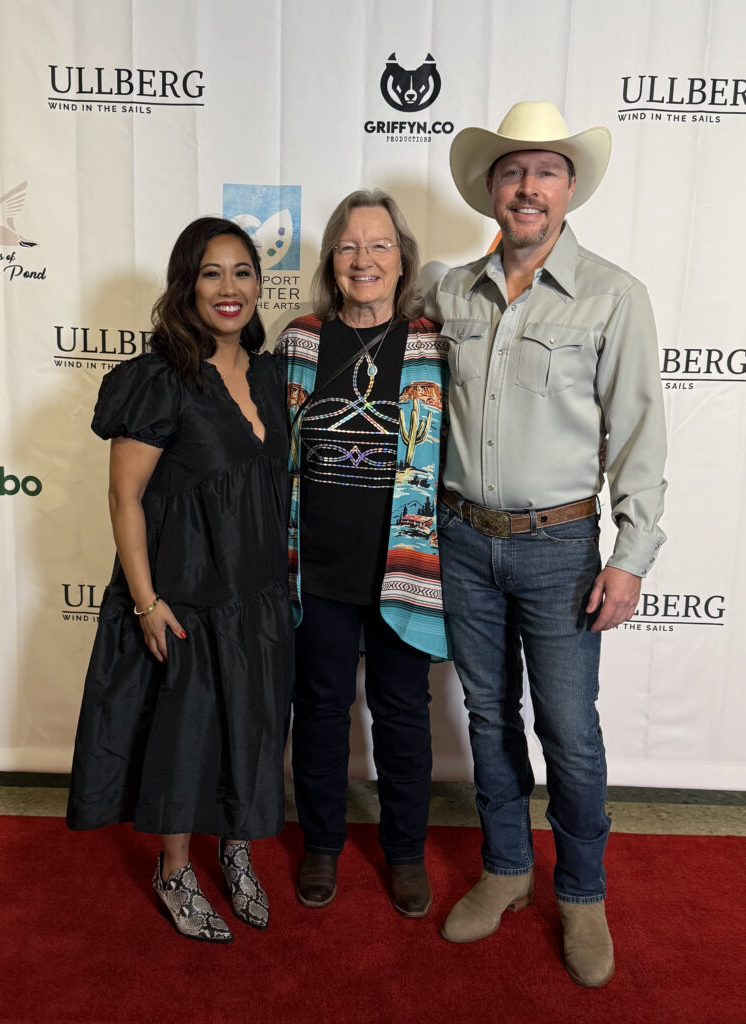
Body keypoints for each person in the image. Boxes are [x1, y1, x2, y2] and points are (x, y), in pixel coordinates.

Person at [431, 102, 667, 985]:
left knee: (567, 731)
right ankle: (504, 869)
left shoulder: (614, 295)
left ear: (569, 190)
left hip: (561, 548)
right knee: (489, 718)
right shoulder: (449, 290)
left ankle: (581, 892)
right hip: (461, 542)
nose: (527, 187)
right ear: (492, 189)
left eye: (545, 172)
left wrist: (631, 556)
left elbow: (640, 435)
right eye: (513, 172)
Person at [66, 217, 293, 944]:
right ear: (186, 285)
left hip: (257, 597)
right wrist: (146, 602)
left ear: (260, 283)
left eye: (242, 272)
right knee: (185, 739)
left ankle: (235, 848)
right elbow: (123, 497)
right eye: (211, 273)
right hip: (187, 598)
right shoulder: (158, 379)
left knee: (251, 732)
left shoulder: (268, 372)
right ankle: (173, 871)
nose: (230, 289)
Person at [275, 189, 449, 918]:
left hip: (404, 567)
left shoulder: (431, 343)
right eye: (349, 247)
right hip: (316, 568)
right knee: (318, 711)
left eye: (379, 245)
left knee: (403, 714)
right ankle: (321, 843)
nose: (364, 259)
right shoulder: (301, 340)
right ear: (332, 261)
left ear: (402, 257)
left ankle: (405, 853)